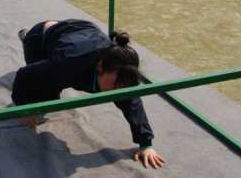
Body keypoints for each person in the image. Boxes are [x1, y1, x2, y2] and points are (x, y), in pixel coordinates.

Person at [13, 20, 165, 170]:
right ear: (100, 67)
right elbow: (24, 75)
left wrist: (146, 143)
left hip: (77, 32)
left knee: (55, 82)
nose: (116, 91)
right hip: (40, 39)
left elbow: (132, 101)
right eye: (114, 84)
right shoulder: (68, 62)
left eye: (122, 86)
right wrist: (24, 108)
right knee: (46, 96)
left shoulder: (118, 66)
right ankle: (26, 37)